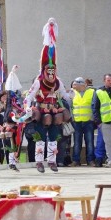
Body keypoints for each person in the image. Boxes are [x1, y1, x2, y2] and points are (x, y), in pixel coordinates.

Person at [23, 18, 73, 173]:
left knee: (53, 137)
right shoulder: (38, 82)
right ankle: (39, 162)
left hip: (54, 111)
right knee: (40, 137)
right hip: (42, 111)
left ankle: (52, 161)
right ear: (44, 70)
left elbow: (64, 95)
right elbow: (29, 96)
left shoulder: (58, 81)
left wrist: (72, 94)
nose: (51, 74)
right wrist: (27, 107)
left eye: (53, 71)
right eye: (48, 71)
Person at [70, 77, 96, 167]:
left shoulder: (92, 92)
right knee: (77, 142)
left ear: (82, 84)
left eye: (76, 85)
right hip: (76, 122)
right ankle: (76, 160)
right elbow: (70, 107)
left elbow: (94, 105)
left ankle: (90, 160)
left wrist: (92, 118)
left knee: (90, 142)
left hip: (88, 121)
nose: (74, 86)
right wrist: (72, 118)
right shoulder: (72, 92)